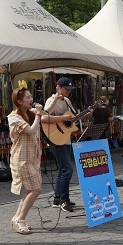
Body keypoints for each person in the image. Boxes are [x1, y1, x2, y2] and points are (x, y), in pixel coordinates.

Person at [8, 86, 44, 234]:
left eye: (31, 96)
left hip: (31, 158)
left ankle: (17, 218)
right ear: (19, 101)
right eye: (27, 97)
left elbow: (45, 110)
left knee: (31, 189)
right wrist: (38, 115)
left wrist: (56, 97)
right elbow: (31, 130)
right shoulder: (14, 118)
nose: (31, 100)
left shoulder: (29, 113)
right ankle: (20, 219)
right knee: (36, 190)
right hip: (22, 160)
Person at [44, 77, 77, 212]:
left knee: (62, 170)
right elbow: (44, 116)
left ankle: (57, 199)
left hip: (66, 139)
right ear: (58, 87)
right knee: (68, 170)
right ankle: (64, 200)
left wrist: (87, 114)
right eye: (66, 88)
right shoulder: (51, 101)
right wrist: (63, 118)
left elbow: (72, 118)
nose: (69, 91)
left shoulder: (68, 101)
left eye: (70, 89)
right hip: (55, 139)